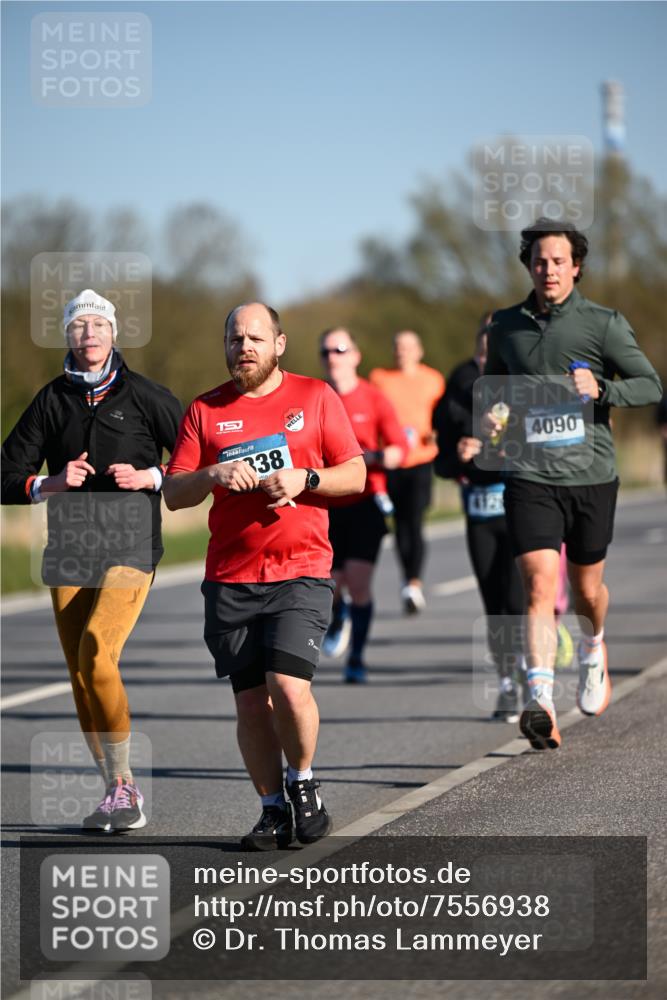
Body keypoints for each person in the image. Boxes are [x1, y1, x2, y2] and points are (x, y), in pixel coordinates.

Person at [162, 303, 365, 850]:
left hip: (300, 569)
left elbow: (356, 474)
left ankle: (303, 784)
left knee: (289, 689)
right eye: (234, 338)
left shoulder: (315, 397)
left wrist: (307, 477)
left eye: (255, 337)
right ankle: (272, 808)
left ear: (279, 344)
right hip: (230, 577)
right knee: (250, 703)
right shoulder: (205, 410)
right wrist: (212, 473)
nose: (243, 346)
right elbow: (174, 492)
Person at [1, 289, 183, 830]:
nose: (89, 334)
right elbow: (7, 475)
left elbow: (200, 464)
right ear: (68, 337)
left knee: (99, 651)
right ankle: (114, 792)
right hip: (69, 551)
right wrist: (49, 483)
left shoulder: (148, 396)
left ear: (114, 333)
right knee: (82, 674)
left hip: (131, 546)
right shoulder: (51, 400)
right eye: (79, 326)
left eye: (98, 324)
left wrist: (151, 477)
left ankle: (126, 787)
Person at [483, 219, 662, 750]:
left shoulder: (603, 324)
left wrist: (601, 386)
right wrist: (492, 424)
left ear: (576, 266)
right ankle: (540, 699)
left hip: (591, 475)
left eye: (559, 261)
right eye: (540, 261)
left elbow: (649, 384)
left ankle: (593, 646)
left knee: (585, 592)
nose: (549, 270)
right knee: (539, 584)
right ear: (529, 266)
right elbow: (495, 391)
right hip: (529, 474)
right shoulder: (505, 326)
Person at [433, 316, 526, 722]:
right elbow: (441, 462)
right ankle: (507, 682)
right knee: (493, 601)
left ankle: (531, 672)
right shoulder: (460, 384)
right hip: (480, 508)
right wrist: (460, 455)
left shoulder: (523, 383)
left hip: (522, 503)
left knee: (519, 598)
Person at [319, 327, 407, 683]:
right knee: (331, 585)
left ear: (355, 355)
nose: (333, 358)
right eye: (326, 352)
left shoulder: (374, 398)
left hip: (367, 500)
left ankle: (356, 657)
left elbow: (400, 448)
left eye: (340, 350)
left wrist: (369, 458)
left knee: (358, 583)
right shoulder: (316, 398)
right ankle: (339, 614)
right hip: (325, 505)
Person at [370, 331, 445, 613]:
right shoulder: (380, 378)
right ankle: (407, 580)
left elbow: (443, 416)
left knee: (415, 521)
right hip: (392, 462)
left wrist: (437, 434)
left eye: (408, 346)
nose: (403, 351)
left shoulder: (433, 379)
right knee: (400, 524)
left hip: (422, 459)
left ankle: (414, 582)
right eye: (398, 346)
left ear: (419, 350)